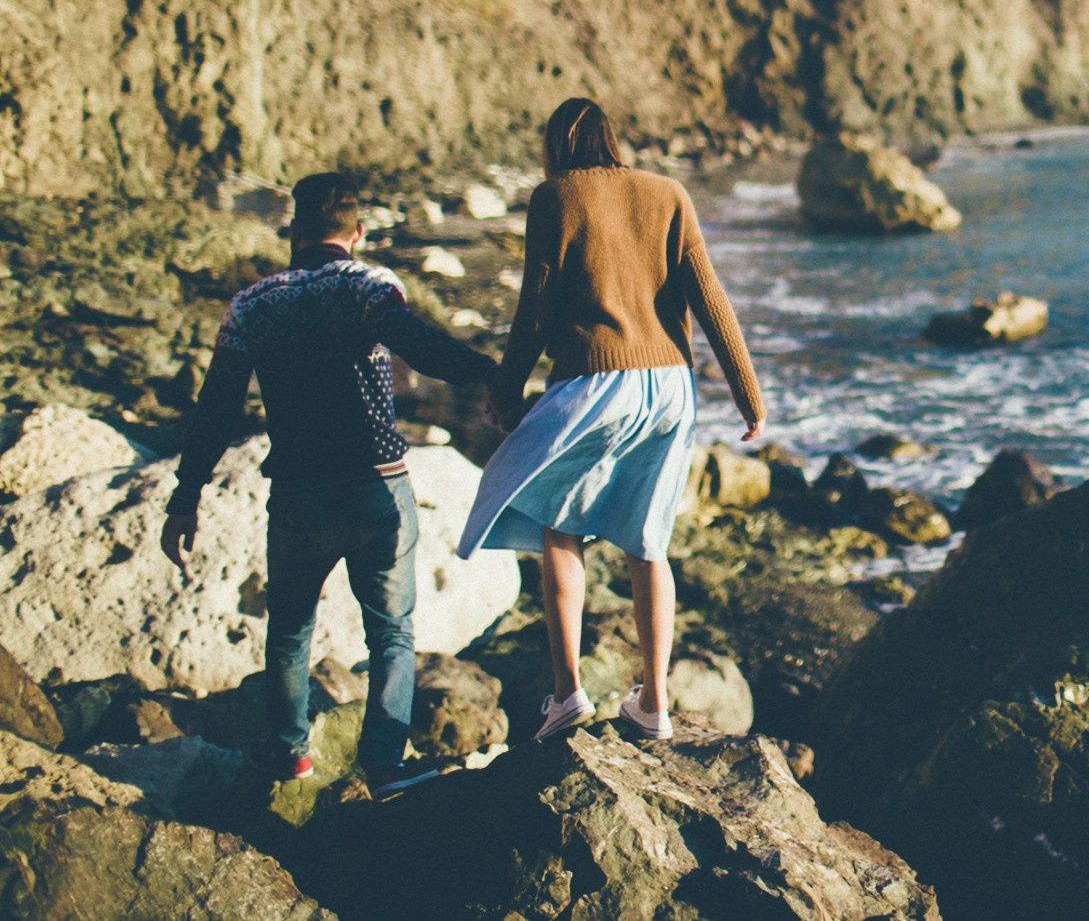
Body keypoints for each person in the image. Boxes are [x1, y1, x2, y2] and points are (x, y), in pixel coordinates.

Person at [161, 173, 497, 798]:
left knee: (290, 630)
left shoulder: (252, 305)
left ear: (294, 232)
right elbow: (423, 348)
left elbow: (217, 408)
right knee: (392, 632)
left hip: (298, 496)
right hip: (376, 487)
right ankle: (385, 764)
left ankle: (289, 751)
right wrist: (493, 375)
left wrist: (187, 495)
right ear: (359, 233)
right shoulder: (370, 287)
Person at [458, 97, 764, 743]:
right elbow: (710, 296)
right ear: (611, 138)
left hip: (594, 381)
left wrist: (507, 389)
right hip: (670, 387)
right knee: (648, 542)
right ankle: (654, 702)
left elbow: (535, 307)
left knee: (556, 522)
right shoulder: (668, 191)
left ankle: (567, 692)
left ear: (556, 145)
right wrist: (749, 397)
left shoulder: (556, 196)